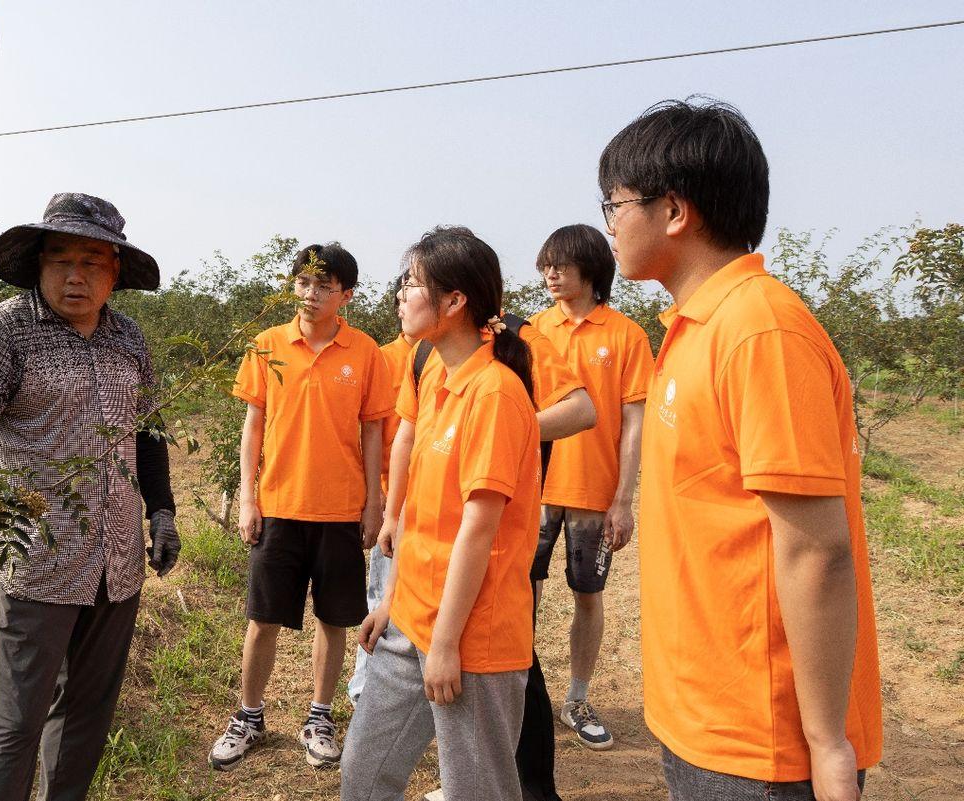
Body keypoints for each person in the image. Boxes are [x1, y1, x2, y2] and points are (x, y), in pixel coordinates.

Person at [600, 98, 882, 800]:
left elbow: (816, 549)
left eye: (615, 202)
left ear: (674, 211)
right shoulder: (695, 327)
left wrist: (826, 744)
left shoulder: (759, 331)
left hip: (762, 743)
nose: (608, 222)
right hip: (703, 714)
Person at [0, 193, 181, 801]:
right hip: (34, 561)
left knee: (86, 714)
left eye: (92, 260)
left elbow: (149, 432)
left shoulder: (130, 339)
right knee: (15, 722)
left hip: (117, 562)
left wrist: (161, 511)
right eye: (60, 259)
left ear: (116, 271)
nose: (75, 275)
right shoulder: (4, 331)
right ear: (38, 264)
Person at [340, 226, 541, 801]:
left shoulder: (496, 394)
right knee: (363, 774)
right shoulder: (435, 374)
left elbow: (478, 530)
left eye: (412, 284)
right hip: (412, 617)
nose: (400, 295)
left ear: (455, 302)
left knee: (479, 791)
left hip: (473, 638)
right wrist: (392, 599)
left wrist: (448, 643)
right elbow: (422, 514)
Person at [209, 243, 393, 771]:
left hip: (340, 510)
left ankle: (319, 717)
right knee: (262, 619)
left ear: (347, 295)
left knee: (333, 621)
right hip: (280, 506)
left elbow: (374, 431)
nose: (311, 294)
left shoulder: (366, 352)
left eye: (324, 285)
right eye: (303, 282)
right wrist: (249, 497)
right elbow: (253, 427)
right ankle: (248, 716)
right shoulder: (267, 344)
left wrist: (373, 503)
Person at [527, 223, 653, 751]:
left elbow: (634, 422)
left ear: (592, 269)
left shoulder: (626, 335)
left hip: (593, 494)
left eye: (562, 264)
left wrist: (623, 499)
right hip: (531, 488)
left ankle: (576, 699)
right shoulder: (533, 330)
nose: (551, 274)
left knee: (588, 594)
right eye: (546, 265)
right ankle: (517, 692)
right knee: (517, 592)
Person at [346, 271, 416, 707]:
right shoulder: (383, 358)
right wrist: (378, 499)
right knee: (380, 594)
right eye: (405, 290)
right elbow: (371, 431)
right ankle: (364, 687)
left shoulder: (460, 357)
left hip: (437, 500)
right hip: (394, 495)